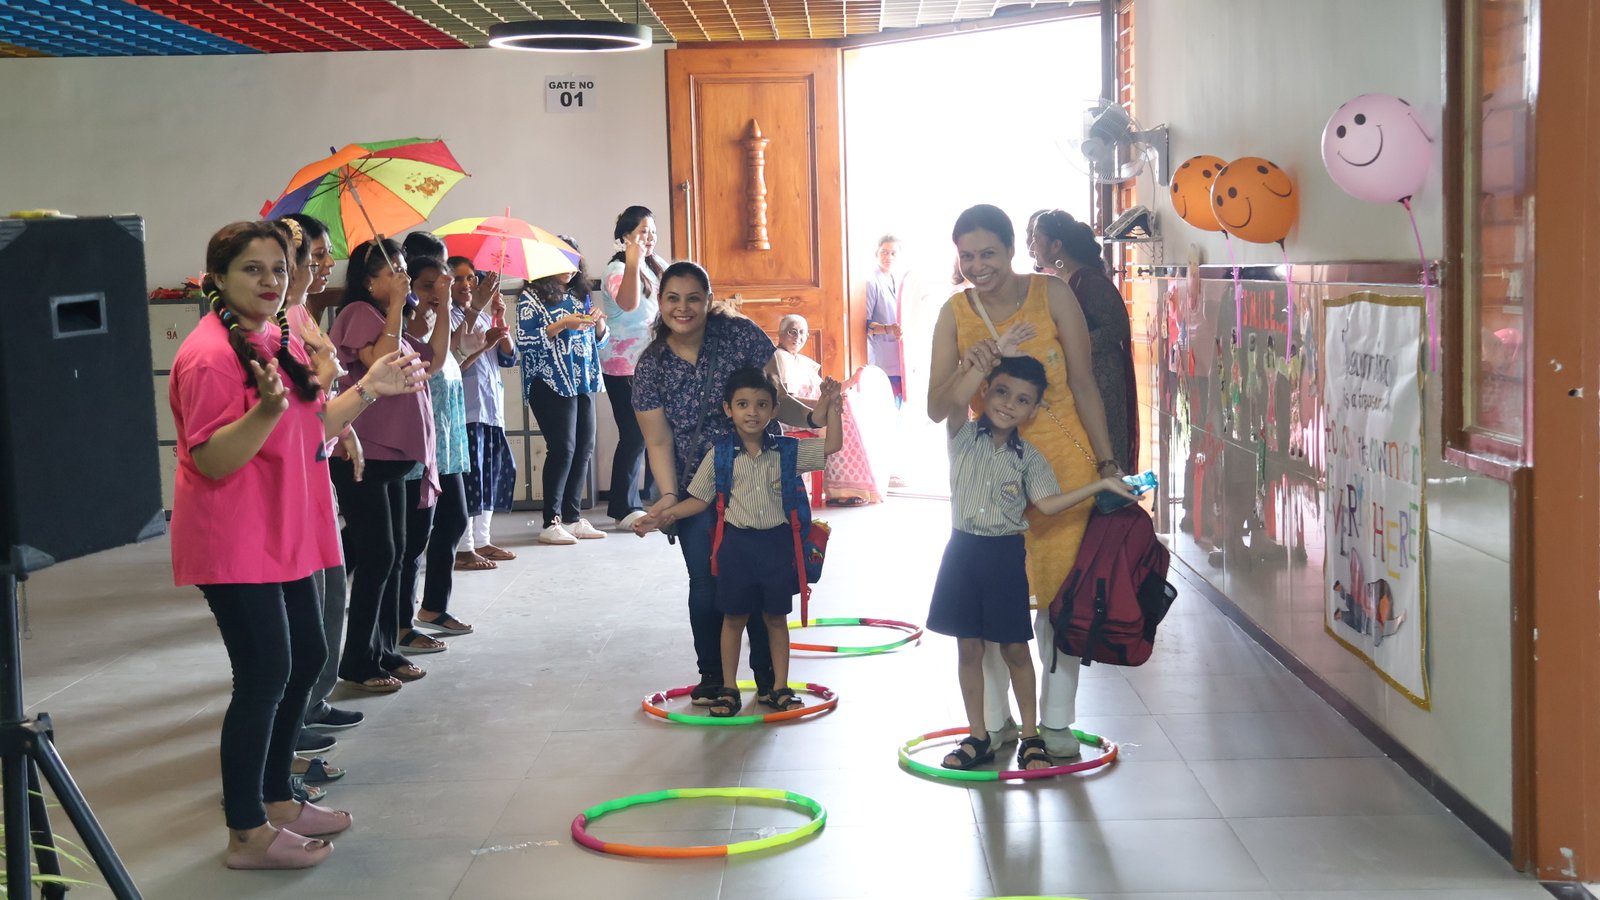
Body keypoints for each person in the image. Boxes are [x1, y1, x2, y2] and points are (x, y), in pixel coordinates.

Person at [171, 220, 424, 869]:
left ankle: (278, 799)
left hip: (282, 531)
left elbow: (314, 429)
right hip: (234, 540)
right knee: (263, 675)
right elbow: (213, 459)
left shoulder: (273, 338)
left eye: (279, 269)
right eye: (252, 269)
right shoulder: (209, 356)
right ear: (217, 279)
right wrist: (265, 411)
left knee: (308, 654)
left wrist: (368, 389)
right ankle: (246, 830)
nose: (271, 281)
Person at [927, 204, 1123, 760]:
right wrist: (974, 364)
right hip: (990, 479)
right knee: (988, 609)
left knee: (1059, 601)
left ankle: (1055, 723)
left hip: (1063, 467)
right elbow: (938, 407)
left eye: (989, 253)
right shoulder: (954, 313)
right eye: (967, 256)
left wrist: (1107, 463)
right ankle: (993, 723)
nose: (978, 266)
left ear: (1013, 249)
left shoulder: (1052, 293)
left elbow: (1083, 383)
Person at [633, 261, 833, 705]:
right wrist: (670, 497)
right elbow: (658, 440)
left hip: (761, 478)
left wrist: (815, 417)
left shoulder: (740, 336)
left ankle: (769, 680)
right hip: (698, 488)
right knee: (706, 584)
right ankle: (714, 678)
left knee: (762, 583)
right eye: (672, 298)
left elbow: (776, 398)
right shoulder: (651, 365)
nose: (683, 308)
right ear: (660, 302)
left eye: (693, 298)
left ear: (708, 300)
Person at [929, 348, 1134, 770]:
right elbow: (954, 401)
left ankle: (1030, 736)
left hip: (1004, 557)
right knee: (969, 649)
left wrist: (1101, 486)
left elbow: (1048, 504)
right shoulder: (961, 434)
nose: (1009, 404)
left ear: (1034, 409)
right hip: (961, 554)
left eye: (1023, 400)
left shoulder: (1030, 458)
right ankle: (978, 736)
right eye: (1002, 392)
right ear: (986, 391)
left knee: (1015, 649)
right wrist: (979, 365)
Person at [328, 238, 439, 693]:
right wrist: (397, 304)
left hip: (389, 458)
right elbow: (384, 362)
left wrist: (433, 306)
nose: (402, 276)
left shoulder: (385, 316)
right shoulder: (359, 313)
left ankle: (385, 648)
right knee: (377, 557)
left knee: (393, 555)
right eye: (392, 270)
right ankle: (358, 659)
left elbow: (431, 360)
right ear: (369, 280)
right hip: (363, 454)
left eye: (403, 267)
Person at [272, 216, 364, 752]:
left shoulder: (304, 312)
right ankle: (293, 715)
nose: (327, 264)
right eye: (317, 255)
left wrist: (345, 429)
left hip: (317, 465)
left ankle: (314, 699)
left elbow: (320, 401)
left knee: (331, 593)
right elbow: (296, 405)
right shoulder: (274, 326)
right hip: (292, 477)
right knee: (305, 605)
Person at [396, 254, 475, 649]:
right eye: (427, 286)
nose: (436, 292)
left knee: (454, 520)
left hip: (445, 444)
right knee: (413, 540)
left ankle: (432, 608)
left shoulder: (436, 321)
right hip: (419, 451)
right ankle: (400, 624)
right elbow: (431, 363)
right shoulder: (405, 327)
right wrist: (440, 308)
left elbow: (450, 361)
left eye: (440, 284)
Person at [1030, 209, 1137, 472]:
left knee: (1103, 450)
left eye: (1036, 238)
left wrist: (1074, 344)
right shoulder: (1060, 281)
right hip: (1077, 379)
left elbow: (1117, 327)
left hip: (1100, 382)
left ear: (1056, 245)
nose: (1032, 246)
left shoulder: (1089, 282)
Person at [517, 238, 609, 544]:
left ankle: (572, 517)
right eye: (563, 262)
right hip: (549, 381)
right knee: (563, 448)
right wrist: (561, 325)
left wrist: (598, 325)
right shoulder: (531, 297)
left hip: (582, 379)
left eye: (574, 262)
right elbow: (525, 341)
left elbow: (597, 341)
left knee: (584, 447)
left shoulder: (579, 294)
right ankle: (551, 521)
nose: (570, 269)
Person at [598, 206, 666, 531]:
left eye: (652, 231)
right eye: (642, 232)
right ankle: (623, 508)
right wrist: (634, 260)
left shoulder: (656, 265)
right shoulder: (616, 269)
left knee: (657, 434)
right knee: (634, 435)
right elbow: (629, 304)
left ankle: (657, 498)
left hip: (652, 364)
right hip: (623, 366)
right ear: (626, 236)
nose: (649, 237)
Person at [449, 256, 516, 570]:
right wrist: (482, 346)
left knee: (490, 475)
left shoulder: (483, 318)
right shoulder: (450, 319)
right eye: (458, 278)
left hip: (491, 410)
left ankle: (482, 539)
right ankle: (464, 547)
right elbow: (453, 363)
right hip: (467, 411)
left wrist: (499, 319)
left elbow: (509, 357)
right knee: (471, 478)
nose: (466, 285)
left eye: (471, 278)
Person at [864, 234, 905, 403]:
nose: (889, 257)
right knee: (886, 402)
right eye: (884, 252)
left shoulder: (898, 281)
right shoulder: (871, 282)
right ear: (877, 253)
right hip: (882, 356)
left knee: (900, 402)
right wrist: (889, 328)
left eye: (893, 253)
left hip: (900, 354)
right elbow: (865, 325)